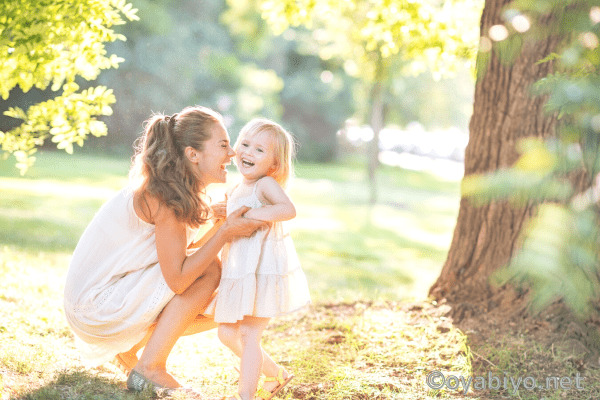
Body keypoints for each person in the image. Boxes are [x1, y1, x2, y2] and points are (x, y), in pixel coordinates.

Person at [63, 106, 267, 393]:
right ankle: (150, 368)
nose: (232, 154)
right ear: (192, 154)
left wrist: (218, 220)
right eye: (223, 145)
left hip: (100, 298)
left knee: (222, 301)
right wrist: (224, 232)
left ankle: (133, 351)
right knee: (210, 271)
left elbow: (183, 251)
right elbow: (179, 279)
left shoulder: (176, 189)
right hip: (94, 305)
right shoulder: (164, 197)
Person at [204, 118, 311, 400]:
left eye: (259, 150)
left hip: (261, 271)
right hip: (240, 270)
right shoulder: (239, 186)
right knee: (227, 333)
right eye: (245, 145)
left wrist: (251, 215)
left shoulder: (265, 184)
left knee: (250, 336)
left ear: (274, 164)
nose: (248, 153)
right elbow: (234, 215)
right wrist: (223, 210)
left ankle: (246, 395)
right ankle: (276, 374)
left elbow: (287, 209)